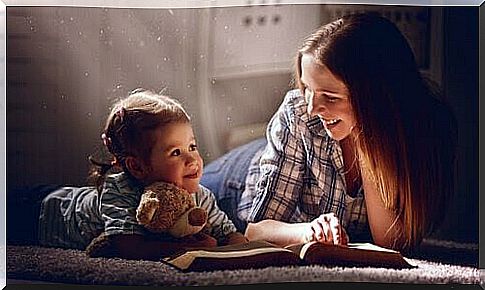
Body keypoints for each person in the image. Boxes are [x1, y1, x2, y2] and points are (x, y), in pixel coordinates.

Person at [201, 13, 457, 252]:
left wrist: (367, 136)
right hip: (233, 184)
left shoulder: (426, 129)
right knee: (178, 201)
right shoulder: (299, 112)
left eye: (331, 97)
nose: (313, 108)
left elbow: (392, 243)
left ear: (378, 99)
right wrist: (307, 232)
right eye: (308, 89)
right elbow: (256, 231)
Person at [38, 89, 247, 260]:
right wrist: (184, 248)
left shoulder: (201, 196)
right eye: (176, 152)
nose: (192, 160)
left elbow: (227, 232)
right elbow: (127, 245)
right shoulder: (120, 189)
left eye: (192, 146)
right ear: (138, 167)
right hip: (45, 211)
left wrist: (240, 247)